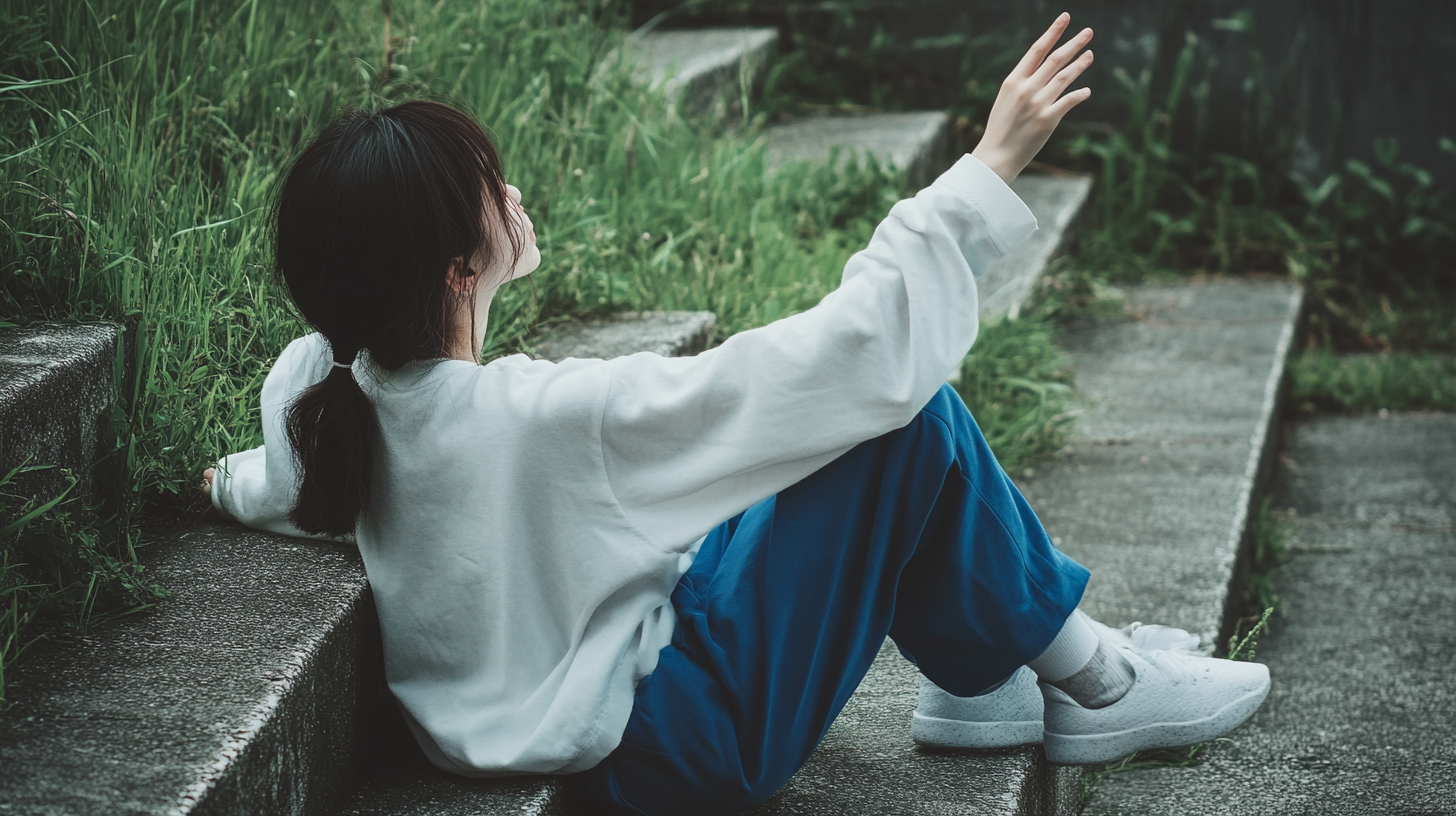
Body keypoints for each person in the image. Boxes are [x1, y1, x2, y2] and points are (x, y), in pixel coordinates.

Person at [200, 13, 1268, 815]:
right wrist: (981, 173)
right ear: (450, 269)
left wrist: (218, 484)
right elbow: (815, 366)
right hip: (669, 739)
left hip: (591, 711)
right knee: (909, 424)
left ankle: (985, 678)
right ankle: (1094, 679)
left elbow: (279, 482)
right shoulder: (540, 419)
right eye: (491, 185)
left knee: (823, 453)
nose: (514, 193)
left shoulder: (334, 397)